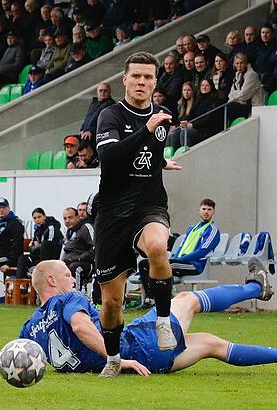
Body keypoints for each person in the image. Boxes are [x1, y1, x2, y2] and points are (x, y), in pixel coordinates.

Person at [0, 259, 277, 375]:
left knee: (212, 344)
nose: (71, 279)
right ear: (51, 281)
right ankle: (256, 288)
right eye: (65, 274)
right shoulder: (69, 301)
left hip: (146, 360)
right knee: (185, 299)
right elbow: (80, 326)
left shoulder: (33, 324)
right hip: (137, 345)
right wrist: (116, 360)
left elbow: (19, 352)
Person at [93, 51, 183, 378]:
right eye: (136, 76)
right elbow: (111, 158)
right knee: (112, 303)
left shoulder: (161, 116)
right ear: (125, 80)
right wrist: (146, 131)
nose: (141, 82)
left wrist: (159, 163)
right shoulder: (109, 115)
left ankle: (162, 320)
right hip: (113, 214)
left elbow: (145, 152)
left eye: (148, 77)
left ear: (156, 81)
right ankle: (113, 359)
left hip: (149, 207)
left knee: (159, 247)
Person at [14, 207, 63, 279]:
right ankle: (19, 284)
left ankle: (28, 277)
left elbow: (49, 246)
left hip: (49, 259)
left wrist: (38, 246)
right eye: (35, 218)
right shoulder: (37, 230)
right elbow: (31, 246)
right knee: (23, 258)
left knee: (45, 245)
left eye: (39, 217)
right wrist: (37, 246)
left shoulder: (51, 228)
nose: (37, 220)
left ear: (44, 216)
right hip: (38, 257)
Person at [61, 207, 95, 290]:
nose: (67, 221)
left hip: (88, 264)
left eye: (70, 217)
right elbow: (65, 250)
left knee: (75, 267)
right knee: (59, 268)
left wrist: (79, 258)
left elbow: (95, 247)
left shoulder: (86, 227)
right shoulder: (69, 231)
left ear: (78, 217)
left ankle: (76, 296)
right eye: (65, 218)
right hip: (71, 262)